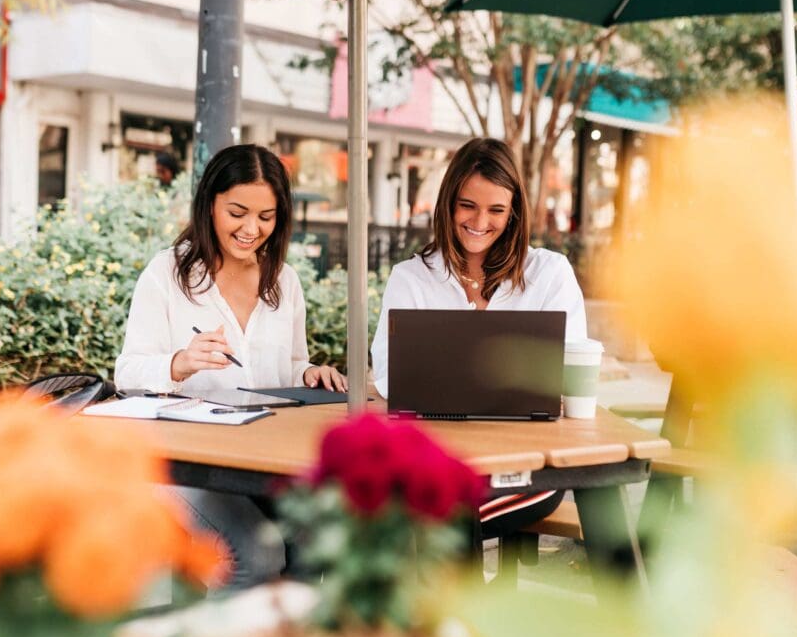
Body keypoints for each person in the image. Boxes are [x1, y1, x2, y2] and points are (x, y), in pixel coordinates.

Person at [116, 143, 347, 588]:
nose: (251, 228)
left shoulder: (284, 280)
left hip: (264, 461)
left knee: (316, 543)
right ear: (210, 205)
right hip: (187, 463)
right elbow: (126, 374)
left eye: (266, 216)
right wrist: (179, 363)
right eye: (237, 212)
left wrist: (308, 372)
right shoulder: (166, 274)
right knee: (256, 554)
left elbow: (291, 363)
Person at [370, 137, 588, 548]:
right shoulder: (412, 278)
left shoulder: (549, 273)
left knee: (449, 509)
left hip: (528, 465)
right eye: (467, 205)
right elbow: (387, 376)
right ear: (449, 203)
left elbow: (571, 370)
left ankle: (452, 613)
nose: (479, 221)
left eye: (496, 210)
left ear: (514, 213)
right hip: (436, 457)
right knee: (437, 504)